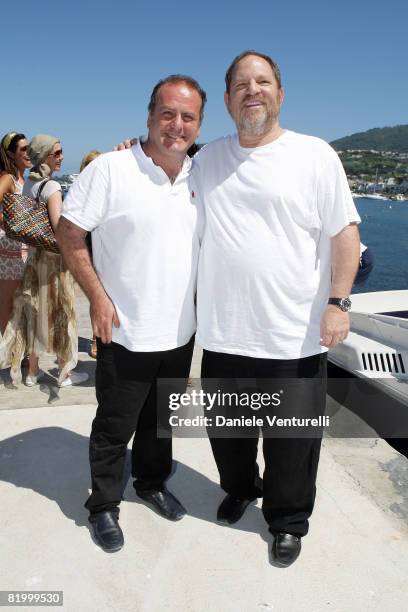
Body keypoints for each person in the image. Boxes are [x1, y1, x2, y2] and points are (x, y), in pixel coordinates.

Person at [191, 50, 361, 567]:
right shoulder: (207, 159)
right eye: (241, 84)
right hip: (224, 333)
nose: (252, 91)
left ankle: (287, 522)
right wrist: (134, 151)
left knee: (293, 443)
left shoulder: (314, 155)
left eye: (262, 82)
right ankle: (242, 488)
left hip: (294, 335)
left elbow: (345, 235)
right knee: (229, 434)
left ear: (280, 94)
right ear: (226, 99)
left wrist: (337, 302)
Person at [56, 75, 206, 552]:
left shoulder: (200, 173)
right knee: (114, 427)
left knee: (161, 424)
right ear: (148, 116)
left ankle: (151, 483)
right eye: (168, 113)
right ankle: (102, 505)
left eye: (188, 117)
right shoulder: (111, 169)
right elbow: (69, 232)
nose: (176, 125)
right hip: (126, 332)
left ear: (198, 124)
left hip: (181, 334)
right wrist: (98, 297)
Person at [0, 134, 89, 388]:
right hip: (53, 260)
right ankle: (64, 373)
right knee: (61, 312)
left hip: (34, 256)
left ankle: (32, 372)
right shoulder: (52, 187)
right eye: (57, 153)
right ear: (46, 156)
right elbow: (59, 227)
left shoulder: (28, 184)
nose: (61, 157)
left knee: (35, 312)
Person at [0, 132, 31, 334]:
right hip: (9, 249)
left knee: (19, 301)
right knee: (6, 303)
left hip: (22, 248)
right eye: (23, 149)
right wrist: (10, 225)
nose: (29, 153)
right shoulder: (8, 178)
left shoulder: (24, 180)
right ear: (11, 154)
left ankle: (15, 351)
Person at [78, 149, 102, 359]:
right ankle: (95, 339)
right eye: (90, 164)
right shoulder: (80, 192)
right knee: (95, 296)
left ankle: (100, 337)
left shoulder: (107, 188)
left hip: (105, 248)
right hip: (87, 248)